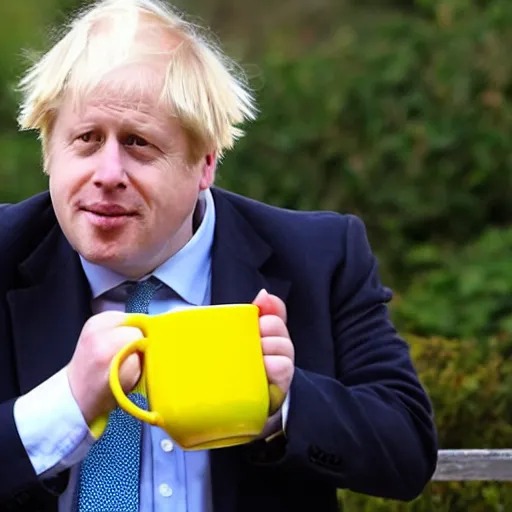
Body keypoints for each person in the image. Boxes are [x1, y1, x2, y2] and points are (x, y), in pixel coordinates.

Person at [0, 0, 438, 510]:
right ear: (50, 149)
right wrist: (65, 405)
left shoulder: (319, 257)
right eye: (86, 140)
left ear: (205, 162)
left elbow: (407, 450)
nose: (108, 173)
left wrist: (285, 400)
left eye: (139, 143)